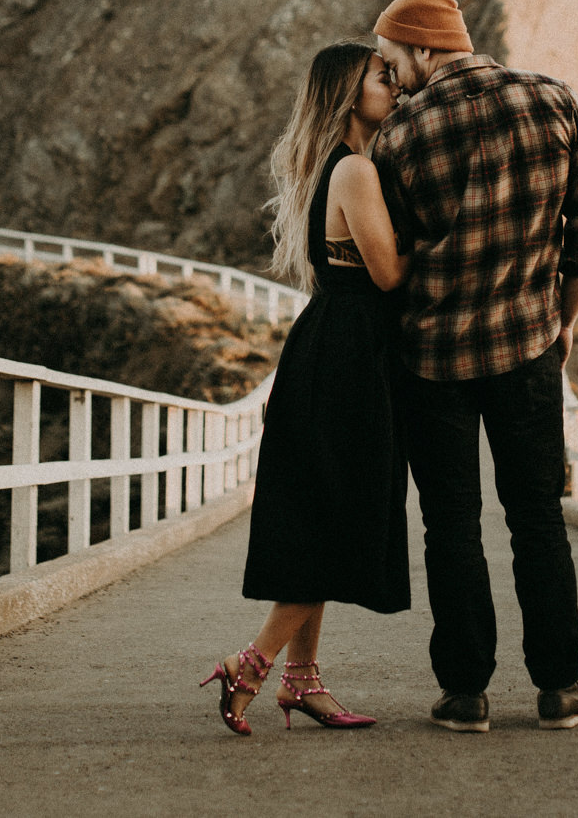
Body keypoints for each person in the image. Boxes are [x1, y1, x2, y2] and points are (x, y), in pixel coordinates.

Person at [366, 0, 578, 734]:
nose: (390, 73)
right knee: (538, 517)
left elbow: (394, 261)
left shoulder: (399, 137)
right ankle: (560, 688)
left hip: (433, 361)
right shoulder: (553, 101)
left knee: (452, 526)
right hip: (529, 348)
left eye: (390, 58)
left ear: (423, 47)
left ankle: (466, 692)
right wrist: (561, 325)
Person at [202, 42, 412, 735]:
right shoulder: (353, 169)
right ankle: (254, 664)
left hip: (333, 350)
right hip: (349, 358)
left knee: (325, 517)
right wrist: (454, 237)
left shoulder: (341, 166)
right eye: (384, 75)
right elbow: (387, 275)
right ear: (353, 93)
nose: (396, 80)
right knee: (344, 523)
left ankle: (302, 680)